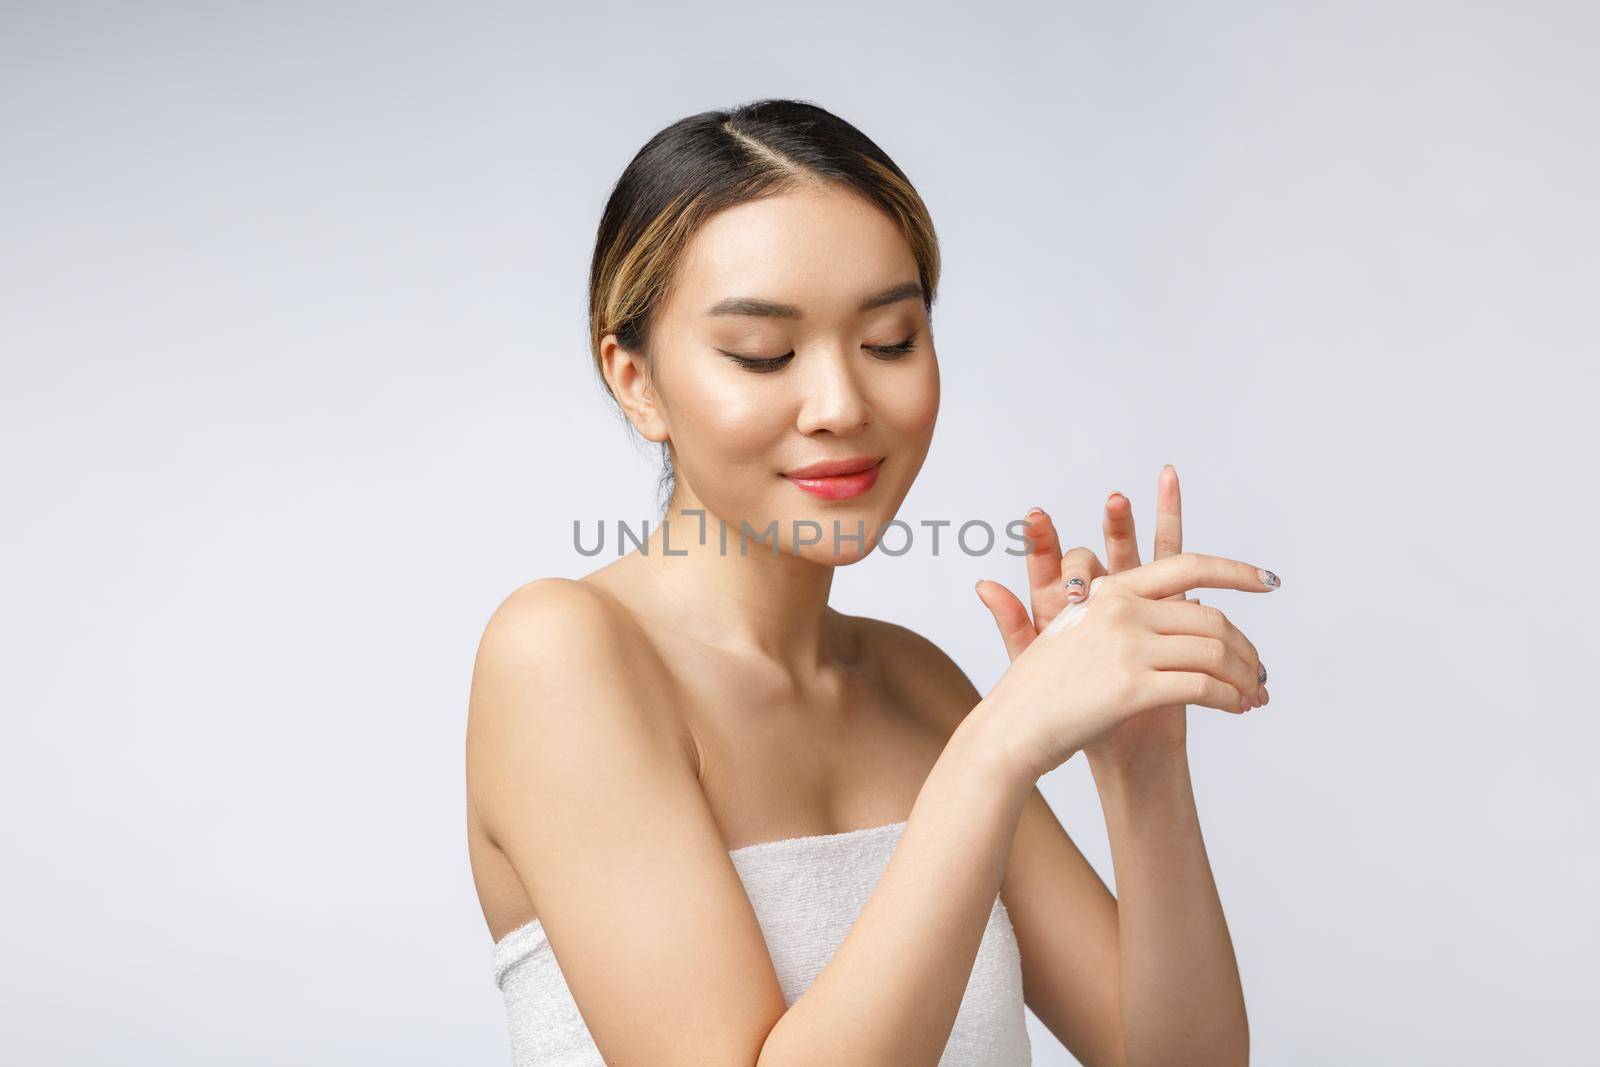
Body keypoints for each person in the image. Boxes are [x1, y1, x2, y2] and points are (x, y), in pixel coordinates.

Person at [465, 97, 1276, 1066]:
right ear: (636, 381)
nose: (842, 403)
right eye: (763, 352)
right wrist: (996, 747)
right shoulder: (562, 652)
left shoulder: (914, 682)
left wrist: (1140, 768)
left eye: (889, 338)